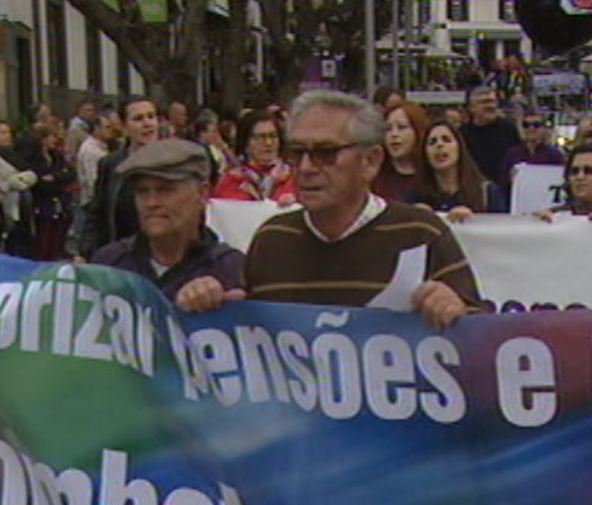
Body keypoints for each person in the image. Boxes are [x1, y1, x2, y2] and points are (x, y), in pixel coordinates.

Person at [176, 89, 482, 330]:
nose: (307, 168)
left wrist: (455, 312)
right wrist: (209, 307)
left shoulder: (421, 233)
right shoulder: (272, 239)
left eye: (326, 153)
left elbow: (484, 341)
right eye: (297, 152)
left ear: (371, 161)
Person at [91, 139, 244, 298]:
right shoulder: (110, 264)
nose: (151, 203)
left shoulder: (229, 269)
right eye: (142, 191)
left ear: (202, 194)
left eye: (164, 190)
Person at [81, 97, 160, 256]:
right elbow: (97, 210)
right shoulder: (110, 164)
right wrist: (87, 251)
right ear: (124, 127)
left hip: (163, 254)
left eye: (151, 116)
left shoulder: (174, 161)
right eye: (138, 119)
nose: (147, 124)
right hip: (121, 255)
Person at [410, 120, 497, 221]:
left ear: (459, 147)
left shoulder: (487, 192)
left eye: (446, 140)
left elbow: (502, 230)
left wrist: (473, 220)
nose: (439, 145)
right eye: (432, 142)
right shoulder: (416, 195)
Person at [212, 109, 296, 203]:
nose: (268, 143)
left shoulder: (294, 178)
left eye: (273, 136)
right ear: (246, 142)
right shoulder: (230, 181)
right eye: (260, 137)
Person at [460, 85, 521, 206]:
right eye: (484, 102)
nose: (490, 106)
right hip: (475, 194)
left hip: (506, 194)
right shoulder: (462, 134)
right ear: (472, 108)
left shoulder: (508, 129)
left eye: (493, 101)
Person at [24, 123, 76, 260]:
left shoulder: (57, 156)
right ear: (42, 139)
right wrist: (57, 179)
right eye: (52, 136)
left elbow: (70, 174)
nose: (55, 139)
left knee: (58, 237)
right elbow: (39, 181)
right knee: (43, 240)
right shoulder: (32, 158)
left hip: (60, 202)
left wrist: (54, 177)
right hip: (42, 203)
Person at [373, 101, 430, 203]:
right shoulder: (374, 177)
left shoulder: (431, 177)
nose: (394, 134)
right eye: (388, 129)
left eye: (402, 127)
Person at [499, 109, 566, 192]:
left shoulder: (555, 155)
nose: (531, 128)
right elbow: (503, 182)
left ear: (544, 128)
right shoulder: (512, 154)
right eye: (526, 125)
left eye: (536, 125)